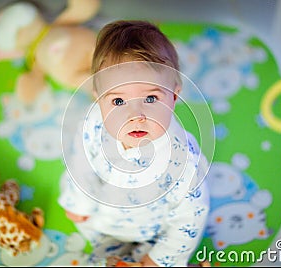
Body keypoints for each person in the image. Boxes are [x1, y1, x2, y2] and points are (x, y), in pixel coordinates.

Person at [58, 20, 210, 267]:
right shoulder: (93, 122)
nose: (135, 115)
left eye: (151, 98)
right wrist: (79, 202)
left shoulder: (181, 157)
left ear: (174, 96)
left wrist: (160, 258)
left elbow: (191, 215)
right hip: (102, 226)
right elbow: (81, 163)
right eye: (118, 101)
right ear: (99, 100)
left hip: (157, 231)